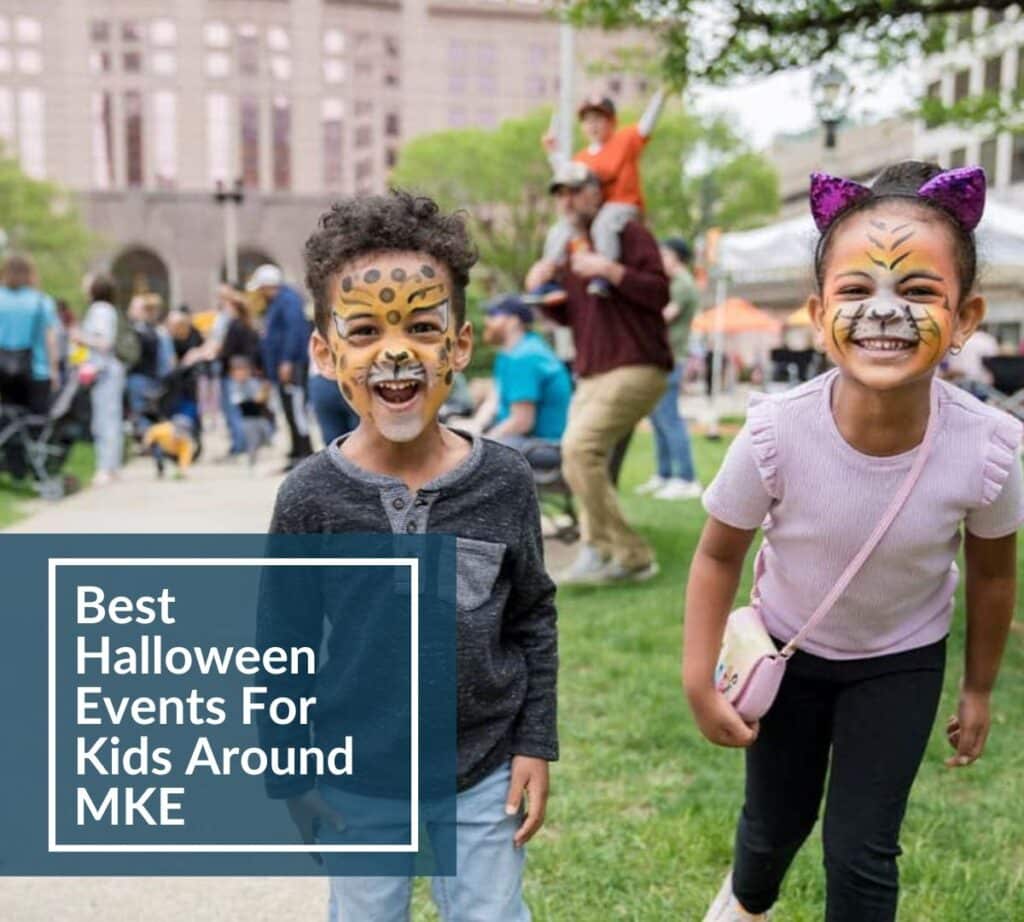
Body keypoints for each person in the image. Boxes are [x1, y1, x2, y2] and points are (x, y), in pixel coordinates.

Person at [684, 162, 1023, 922]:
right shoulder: (775, 431)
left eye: (920, 292)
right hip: (789, 655)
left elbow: (995, 575)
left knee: (862, 847)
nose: (885, 312)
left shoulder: (992, 448)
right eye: (856, 290)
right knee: (773, 829)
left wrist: (977, 687)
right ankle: (745, 902)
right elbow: (717, 552)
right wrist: (698, 679)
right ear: (817, 311)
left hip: (900, 663)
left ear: (965, 317)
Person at [264, 189, 557, 921]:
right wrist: (290, 774)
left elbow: (532, 617)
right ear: (328, 355)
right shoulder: (310, 498)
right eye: (364, 330)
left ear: (458, 345)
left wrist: (534, 743)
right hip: (355, 774)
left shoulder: (504, 481)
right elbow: (280, 645)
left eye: (423, 327)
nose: (395, 352)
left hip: (483, 765)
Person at [526, 162, 672, 585]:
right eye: (561, 194)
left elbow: (658, 291)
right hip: (593, 371)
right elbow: (575, 315)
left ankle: (631, 555)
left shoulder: (628, 234)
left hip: (637, 365)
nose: (567, 201)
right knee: (580, 461)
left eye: (575, 191)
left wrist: (610, 270)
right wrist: (540, 293)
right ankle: (597, 550)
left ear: (595, 192)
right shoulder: (570, 250)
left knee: (578, 449)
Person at [540, 88, 665, 297]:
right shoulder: (583, 157)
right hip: (597, 210)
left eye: (599, 119)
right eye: (588, 120)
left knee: (603, 225)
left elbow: (646, 126)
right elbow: (567, 173)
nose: (593, 125)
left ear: (612, 121)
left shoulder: (624, 140)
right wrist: (553, 153)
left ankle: (603, 274)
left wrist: (661, 94)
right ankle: (553, 278)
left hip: (624, 204)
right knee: (560, 230)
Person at [636, 237, 703, 500]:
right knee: (658, 419)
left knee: (669, 419)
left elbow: (663, 316)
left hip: (671, 359)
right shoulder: (673, 282)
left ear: (675, 257)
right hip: (661, 359)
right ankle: (664, 474)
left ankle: (686, 478)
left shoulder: (683, 284)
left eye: (663, 254)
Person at [471, 294, 572, 448]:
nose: (487, 320)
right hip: (521, 438)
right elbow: (494, 400)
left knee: (468, 457)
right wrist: (473, 428)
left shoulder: (526, 356)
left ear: (513, 321)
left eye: (494, 315)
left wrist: (482, 443)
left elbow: (522, 422)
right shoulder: (508, 354)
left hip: (544, 444)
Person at [248, 263, 313, 468]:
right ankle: (295, 450)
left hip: (291, 366)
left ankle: (305, 451)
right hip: (281, 366)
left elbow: (294, 332)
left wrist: (287, 360)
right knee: (288, 410)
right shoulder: (277, 302)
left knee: (296, 408)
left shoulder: (289, 300)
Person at [73, 274, 126, 485]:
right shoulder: (107, 310)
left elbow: (104, 343)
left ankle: (106, 467)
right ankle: (111, 466)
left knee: (105, 421)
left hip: (104, 372)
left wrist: (80, 337)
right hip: (106, 372)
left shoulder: (100, 310)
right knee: (109, 419)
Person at [0, 253, 58, 414]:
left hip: (2, 372)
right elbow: (50, 340)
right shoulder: (42, 302)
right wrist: (54, 371)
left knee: (6, 423)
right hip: (37, 371)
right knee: (35, 424)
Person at [225, 354, 274, 466]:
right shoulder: (234, 386)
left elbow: (262, 398)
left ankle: (261, 453)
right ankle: (251, 460)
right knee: (251, 440)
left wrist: (263, 393)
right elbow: (240, 401)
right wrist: (256, 398)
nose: (241, 374)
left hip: (259, 417)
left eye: (243, 371)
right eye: (237, 371)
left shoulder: (253, 383)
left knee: (266, 434)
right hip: (247, 419)